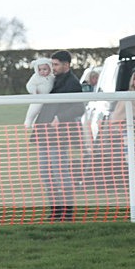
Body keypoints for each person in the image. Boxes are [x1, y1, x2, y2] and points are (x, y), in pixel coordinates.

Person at [33, 50, 84, 222]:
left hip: (58, 135)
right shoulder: (50, 80)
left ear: (66, 65)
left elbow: (79, 108)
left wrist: (59, 118)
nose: (52, 67)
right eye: (52, 64)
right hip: (43, 132)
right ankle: (55, 210)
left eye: (55, 64)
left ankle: (67, 212)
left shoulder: (73, 83)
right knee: (45, 173)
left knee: (60, 173)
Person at [24, 57, 54, 128]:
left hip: (48, 99)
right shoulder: (36, 77)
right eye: (40, 69)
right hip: (38, 97)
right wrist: (34, 91)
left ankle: (35, 123)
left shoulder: (52, 77)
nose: (42, 71)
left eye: (45, 69)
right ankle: (28, 121)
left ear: (50, 68)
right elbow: (30, 85)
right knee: (34, 109)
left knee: (42, 112)